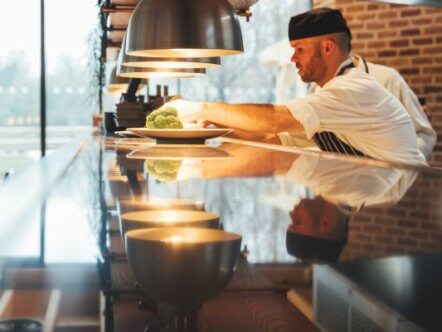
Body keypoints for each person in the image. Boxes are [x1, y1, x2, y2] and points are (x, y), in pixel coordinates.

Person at [165, 8, 427, 166]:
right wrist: (213, 130)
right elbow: (276, 138)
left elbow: (275, 121)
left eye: (299, 50)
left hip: (409, 205)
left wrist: (201, 108)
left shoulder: (352, 88)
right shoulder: (325, 93)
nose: (292, 59)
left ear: (327, 48)